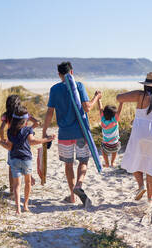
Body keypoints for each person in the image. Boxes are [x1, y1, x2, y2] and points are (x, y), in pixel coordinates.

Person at [42, 61, 101, 206]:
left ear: (59, 74)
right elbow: (87, 108)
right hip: (80, 132)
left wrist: (44, 130)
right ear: (72, 72)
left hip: (64, 134)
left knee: (68, 164)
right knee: (83, 161)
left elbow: (50, 113)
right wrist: (96, 98)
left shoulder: (54, 89)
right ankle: (79, 186)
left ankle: (72, 196)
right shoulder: (79, 86)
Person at [117, 72, 152, 202]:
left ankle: (141, 185)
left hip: (139, 134)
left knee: (135, 160)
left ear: (146, 85)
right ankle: (149, 198)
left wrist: (127, 97)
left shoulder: (139, 95)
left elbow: (119, 98)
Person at [0, 106, 55, 214]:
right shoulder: (28, 129)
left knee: (17, 185)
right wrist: (47, 139)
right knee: (27, 183)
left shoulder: (10, 131)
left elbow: (9, 147)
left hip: (14, 159)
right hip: (26, 159)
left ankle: (18, 209)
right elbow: (32, 141)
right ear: (25, 119)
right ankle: (25, 205)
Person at [0, 94, 40, 197]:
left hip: (12, 140)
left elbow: (1, 128)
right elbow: (37, 122)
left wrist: (2, 139)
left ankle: (12, 190)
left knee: (12, 165)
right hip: (24, 141)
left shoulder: (6, 115)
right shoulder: (23, 113)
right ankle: (29, 178)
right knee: (25, 159)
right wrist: (29, 131)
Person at [97, 93, 123, 167]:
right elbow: (119, 111)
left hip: (106, 145)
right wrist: (121, 102)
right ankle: (112, 162)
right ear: (114, 115)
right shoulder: (115, 121)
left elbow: (100, 108)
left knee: (103, 151)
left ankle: (107, 162)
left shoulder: (102, 119)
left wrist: (99, 99)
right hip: (115, 144)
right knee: (115, 152)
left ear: (104, 113)